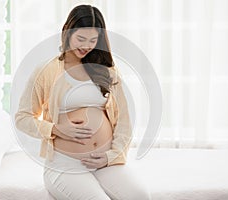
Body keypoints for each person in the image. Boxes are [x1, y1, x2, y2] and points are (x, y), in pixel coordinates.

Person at [15, 4, 151, 200]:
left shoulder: (106, 70)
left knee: (140, 196)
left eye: (93, 40)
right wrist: (56, 129)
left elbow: (124, 120)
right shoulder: (46, 71)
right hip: (65, 164)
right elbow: (23, 118)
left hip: (103, 162)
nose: (86, 46)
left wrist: (110, 156)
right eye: (80, 38)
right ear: (67, 32)